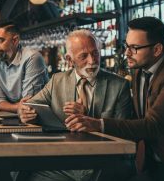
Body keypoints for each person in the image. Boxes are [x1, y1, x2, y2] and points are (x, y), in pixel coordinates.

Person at [66, 17, 164, 180]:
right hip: (152, 165)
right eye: (127, 46)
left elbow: (152, 125)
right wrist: (86, 112)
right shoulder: (139, 71)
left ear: (157, 49)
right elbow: (135, 119)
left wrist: (97, 124)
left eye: (135, 48)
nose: (127, 53)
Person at [18, 29, 134, 181]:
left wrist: (88, 118)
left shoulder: (119, 86)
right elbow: (32, 105)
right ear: (69, 60)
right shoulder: (56, 81)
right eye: (83, 56)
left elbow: (123, 133)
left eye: (95, 53)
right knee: (21, 172)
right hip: (64, 161)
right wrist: (25, 113)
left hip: (102, 162)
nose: (92, 61)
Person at [0, 21, 49, 112]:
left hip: (38, 117)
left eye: (0, 40)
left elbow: (29, 104)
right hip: (11, 117)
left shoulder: (32, 57)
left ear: (15, 40)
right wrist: (17, 107)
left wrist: (14, 106)